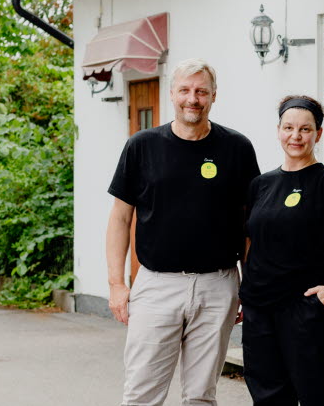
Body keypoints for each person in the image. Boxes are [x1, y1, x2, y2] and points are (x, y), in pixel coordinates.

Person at [105, 59, 260, 406]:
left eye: (201, 91)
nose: (194, 98)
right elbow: (119, 219)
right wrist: (117, 284)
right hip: (157, 285)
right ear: (172, 94)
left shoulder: (237, 149)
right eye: (186, 90)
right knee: (142, 393)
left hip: (218, 285)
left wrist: (248, 283)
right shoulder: (141, 146)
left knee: (201, 396)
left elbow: (253, 223)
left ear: (213, 96)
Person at [239, 95, 324, 405]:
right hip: (261, 309)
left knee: (319, 395)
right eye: (289, 128)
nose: (295, 136)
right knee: (268, 396)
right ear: (278, 130)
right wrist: (245, 292)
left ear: (318, 134)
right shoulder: (261, 185)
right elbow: (250, 242)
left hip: (309, 309)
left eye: (305, 129)